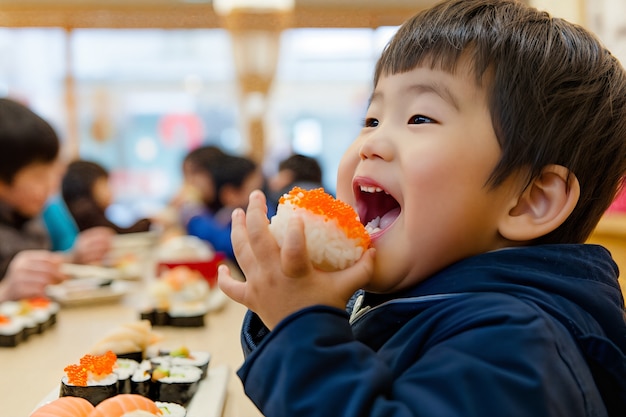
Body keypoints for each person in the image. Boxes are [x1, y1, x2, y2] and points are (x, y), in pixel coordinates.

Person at [217, 1, 626, 416]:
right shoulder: (412, 294)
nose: (370, 144)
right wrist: (292, 314)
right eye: (372, 120)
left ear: (530, 200)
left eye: (419, 118)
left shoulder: (516, 346)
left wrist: (302, 330)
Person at [0, 98, 113, 303]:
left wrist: (72, 259)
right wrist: (6, 291)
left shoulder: (29, 217)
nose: (52, 186)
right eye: (38, 176)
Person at [186, 153, 265, 261]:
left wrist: (193, 215)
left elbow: (228, 242)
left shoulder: (263, 213)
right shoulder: (226, 212)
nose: (260, 195)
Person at [61, 159, 152, 234]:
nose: (111, 190)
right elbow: (123, 234)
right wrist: (150, 221)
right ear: (89, 187)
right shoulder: (88, 215)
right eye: (104, 184)